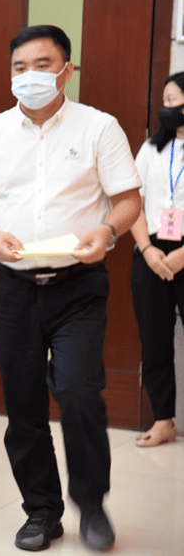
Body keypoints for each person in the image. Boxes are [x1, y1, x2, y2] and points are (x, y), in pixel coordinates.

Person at [0, 25, 141, 552]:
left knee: (79, 393)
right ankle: (42, 512)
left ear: (66, 69)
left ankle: (92, 504)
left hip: (78, 287)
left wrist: (107, 230)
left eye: (41, 64)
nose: (29, 76)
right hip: (11, 289)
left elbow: (127, 200)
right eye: (18, 67)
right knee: (24, 406)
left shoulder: (100, 128)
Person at [128, 71, 184, 448]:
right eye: (165, 101)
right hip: (150, 250)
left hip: (183, 251)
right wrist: (147, 250)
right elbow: (131, 201)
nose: (168, 109)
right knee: (155, 340)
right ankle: (163, 420)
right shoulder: (152, 148)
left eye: (175, 101)